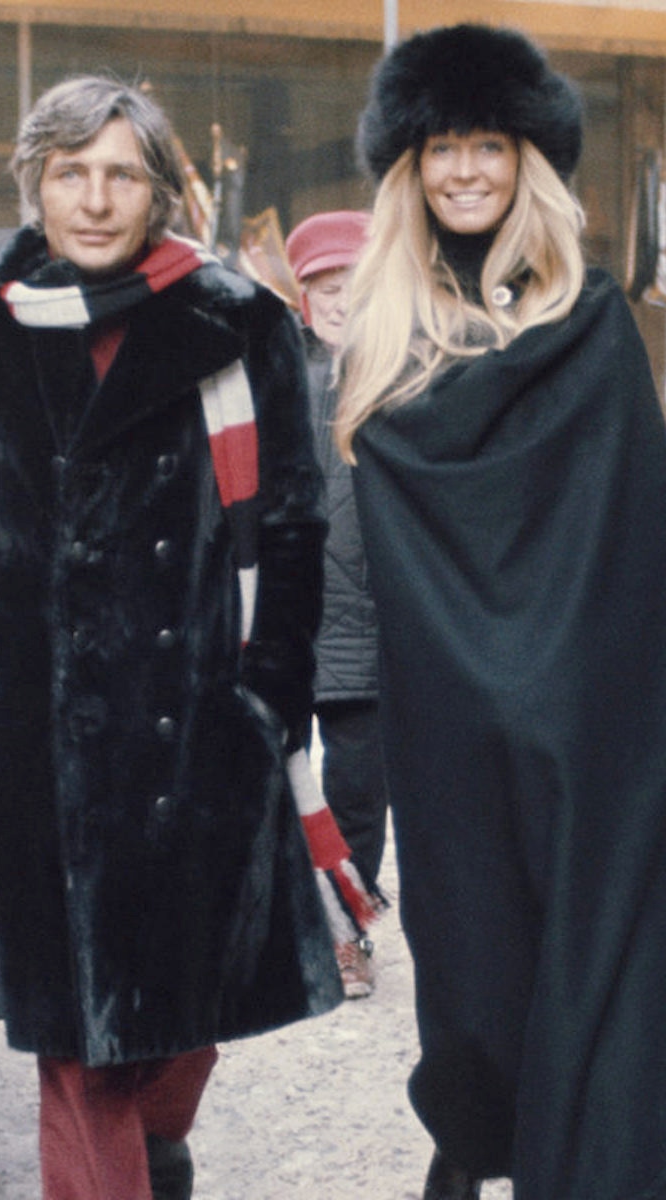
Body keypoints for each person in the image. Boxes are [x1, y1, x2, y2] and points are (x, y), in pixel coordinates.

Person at [0, 75, 342, 1200]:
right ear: (33, 184)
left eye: (120, 174)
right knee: (81, 1057)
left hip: (200, 740)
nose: (94, 199)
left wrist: (262, 701)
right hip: (33, 754)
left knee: (182, 1029)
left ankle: (157, 1148)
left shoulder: (239, 323)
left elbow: (290, 530)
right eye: (69, 172)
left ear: (157, 189)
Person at [337, 23, 666, 1200]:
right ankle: (478, 1143)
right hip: (444, 726)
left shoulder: (589, 330)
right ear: (407, 171)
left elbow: (629, 541)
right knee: (472, 977)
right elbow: (352, 550)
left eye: (488, 145)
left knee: (593, 963)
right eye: (439, 149)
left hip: (586, 723)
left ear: (526, 163)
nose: (465, 170)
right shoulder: (380, 339)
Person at [286, 210, 388, 999]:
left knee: (356, 792)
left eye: (352, 282)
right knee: (281, 787)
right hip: (285, 626)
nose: (338, 299)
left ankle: (349, 934)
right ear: (301, 295)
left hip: (367, 630)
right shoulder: (272, 374)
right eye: (323, 285)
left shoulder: (402, 376)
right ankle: (294, 930)